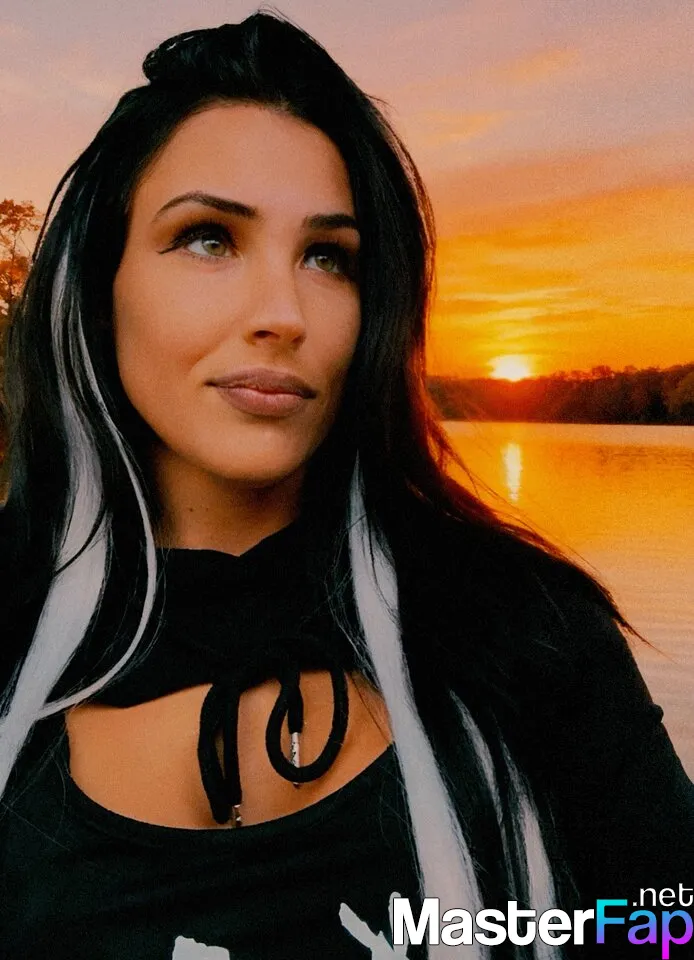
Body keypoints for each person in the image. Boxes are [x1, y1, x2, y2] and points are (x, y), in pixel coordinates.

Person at [0, 12, 691, 960]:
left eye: (330, 257)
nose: (282, 313)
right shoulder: (10, 617)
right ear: (98, 282)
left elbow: (667, 924)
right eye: (207, 238)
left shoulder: (523, 632)